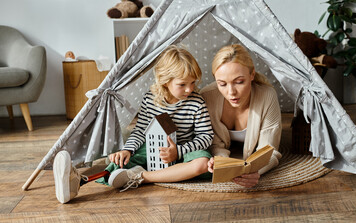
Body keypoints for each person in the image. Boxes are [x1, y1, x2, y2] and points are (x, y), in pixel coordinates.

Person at [53, 45, 214, 203]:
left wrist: (178, 152)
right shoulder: (150, 99)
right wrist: (127, 150)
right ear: (165, 81)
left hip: (185, 151)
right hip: (155, 149)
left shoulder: (197, 102)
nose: (189, 89)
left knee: (203, 163)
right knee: (120, 163)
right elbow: (140, 131)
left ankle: (142, 177)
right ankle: (78, 182)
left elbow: (206, 136)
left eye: (192, 83)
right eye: (182, 85)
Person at [200, 44, 282, 188]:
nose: (231, 92)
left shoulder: (267, 96)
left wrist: (256, 171)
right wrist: (222, 163)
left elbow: (270, 150)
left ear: (252, 75)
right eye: (222, 84)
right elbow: (213, 143)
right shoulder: (207, 97)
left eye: (239, 82)